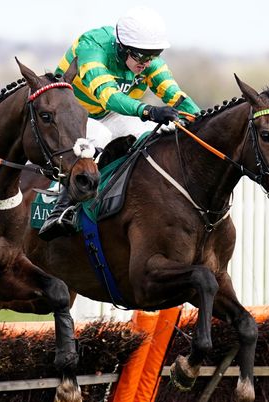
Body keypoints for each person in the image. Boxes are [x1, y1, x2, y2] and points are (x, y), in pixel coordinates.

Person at [38, 6, 201, 241]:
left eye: (154, 54)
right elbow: (108, 96)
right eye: (142, 55)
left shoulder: (146, 60)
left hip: (109, 113)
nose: (147, 62)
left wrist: (201, 119)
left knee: (146, 134)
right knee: (102, 135)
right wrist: (148, 109)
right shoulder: (91, 46)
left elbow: (175, 95)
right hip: (73, 117)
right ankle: (61, 209)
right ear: (122, 47)